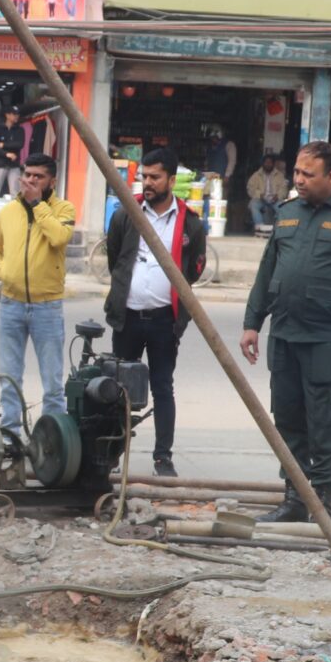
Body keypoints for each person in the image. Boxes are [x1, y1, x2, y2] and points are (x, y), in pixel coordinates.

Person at [239, 141, 331, 523]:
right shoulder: (287, 214)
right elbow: (267, 272)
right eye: (298, 174)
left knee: (326, 421)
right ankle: (294, 498)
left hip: (329, 338)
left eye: (308, 174)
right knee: (287, 419)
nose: (299, 181)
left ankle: (321, 501)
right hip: (286, 336)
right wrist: (252, 322)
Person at [104, 147, 207, 478]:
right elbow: (116, 259)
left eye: (154, 177)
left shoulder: (190, 223)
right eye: (143, 176)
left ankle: (163, 457)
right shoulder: (126, 214)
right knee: (118, 390)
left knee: (162, 387)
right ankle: (111, 453)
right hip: (128, 317)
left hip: (165, 321)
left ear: (171, 180)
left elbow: (192, 272)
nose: (147, 183)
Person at [0, 153, 75, 437]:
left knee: (52, 382)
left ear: (52, 181)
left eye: (38, 176)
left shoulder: (63, 210)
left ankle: (53, 438)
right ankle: (10, 434)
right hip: (11, 303)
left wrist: (38, 206)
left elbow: (59, 237)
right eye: (28, 174)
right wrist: (4, 271)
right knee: (10, 377)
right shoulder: (8, 211)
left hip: (47, 306)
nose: (31, 180)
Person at [0, 104, 24, 197]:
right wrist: (6, 154)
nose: (17, 116)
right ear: (7, 115)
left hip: (14, 165)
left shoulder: (20, 129)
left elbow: (20, 144)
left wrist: (4, 145)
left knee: (16, 194)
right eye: (14, 114)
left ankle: (16, 211)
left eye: (18, 114)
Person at [246, 153, 288, 232]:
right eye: (266, 162)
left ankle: (280, 230)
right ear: (263, 163)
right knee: (253, 204)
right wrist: (259, 195)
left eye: (270, 163)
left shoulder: (279, 175)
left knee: (283, 208)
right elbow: (250, 188)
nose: (268, 164)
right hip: (261, 199)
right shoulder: (256, 175)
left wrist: (278, 196)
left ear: (273, 164)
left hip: (275, 200)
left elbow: (284, 188)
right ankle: (260, 227)